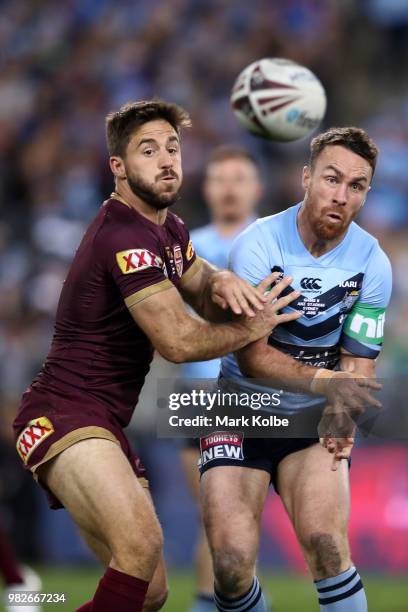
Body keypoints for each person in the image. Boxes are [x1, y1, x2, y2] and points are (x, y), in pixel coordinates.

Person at [12, 99, 301, 612]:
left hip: (102, 421)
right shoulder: (124, 238)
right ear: (118, 168)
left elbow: (198, 281)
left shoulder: (167, 230)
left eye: (172, 148)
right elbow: (179, 341)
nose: (167, 160)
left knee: (149, 593)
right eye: (149, 151)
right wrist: (254, 325)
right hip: (64, 414)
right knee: (140, 549)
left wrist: (224, 278)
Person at [199, 127, 392, 612]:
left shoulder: (373, 262)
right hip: (240, 408)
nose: (340, 195)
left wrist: (343, 416)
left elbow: (358, 361)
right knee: (230, 563)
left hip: (310, 419)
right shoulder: (258, 245)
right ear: (306, 178)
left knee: (328, 546)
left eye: (356, 186)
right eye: (331, 179)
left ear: (366, 194)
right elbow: (254, 357)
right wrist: (332, 384)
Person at [180, 145, 262, 612]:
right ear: (206, 188)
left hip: (262, 391)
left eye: (239, 177)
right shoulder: (185, 247)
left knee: (240, 515)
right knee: (213, 515)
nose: (229, 188)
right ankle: (212, 601)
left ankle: (235, 597)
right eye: (219, 178)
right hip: (200, 394)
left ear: (257, 188)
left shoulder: (274, 242)